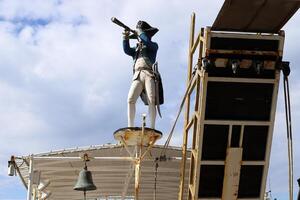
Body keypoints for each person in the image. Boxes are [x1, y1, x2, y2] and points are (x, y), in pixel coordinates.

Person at [122, 20, 160, 129]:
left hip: (148, 74)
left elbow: (147, 42)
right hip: (137, 75)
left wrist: (140, 33)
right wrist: (125, 37)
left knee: (151, 100)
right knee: (130, 99)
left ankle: (152, 127)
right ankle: (130, 126)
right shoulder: (136, 50)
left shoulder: (153, 46)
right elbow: (127, 50)